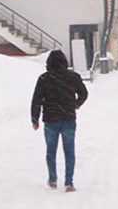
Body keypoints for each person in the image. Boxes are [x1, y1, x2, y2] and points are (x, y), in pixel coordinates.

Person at [30, 49, 89, 192]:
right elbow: (84, 93)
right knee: (69, 151)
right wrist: (76, 104)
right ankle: (69, 183)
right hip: (68, 118)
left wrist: (35, 119)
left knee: (51, 151)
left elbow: (36, 100)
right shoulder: (73, 77)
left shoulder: (44, 79)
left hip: (50, 120)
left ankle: (52, 179)